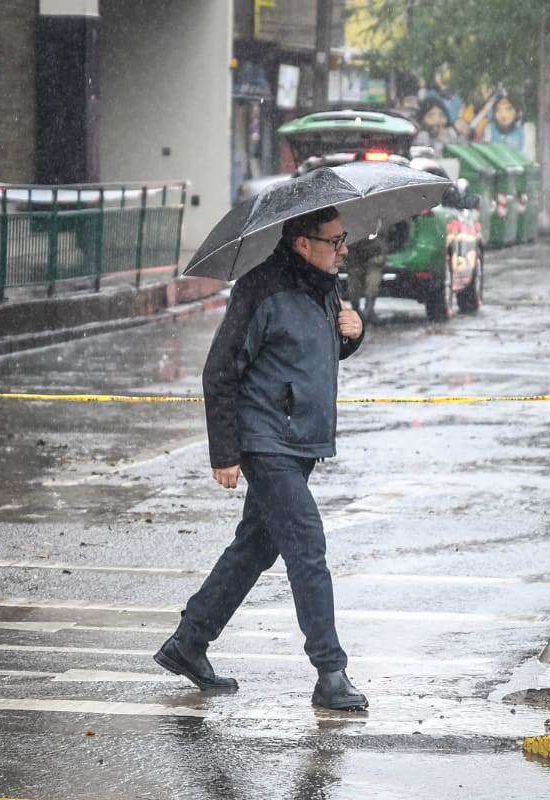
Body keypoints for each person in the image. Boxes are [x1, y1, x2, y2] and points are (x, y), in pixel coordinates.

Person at [154, 207, 370, 710]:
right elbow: (221, 371)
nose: (343, 249)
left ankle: (189, 643)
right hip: (266, 440)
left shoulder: (324, 286)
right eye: (335, 240)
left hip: (299, 441)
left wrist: (352, 336)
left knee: (256, 546)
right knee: (307, 544)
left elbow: (311, 354)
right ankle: (330, 672)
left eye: (345, 240)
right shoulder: (261, 289)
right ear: (302, 243)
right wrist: (226, 451)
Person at [344, 235, 386, 321]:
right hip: (355, 257)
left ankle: (369, 309)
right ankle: (356, 309)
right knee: (354, 284)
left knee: (372, 282)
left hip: (373, 256)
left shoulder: (372, 229)